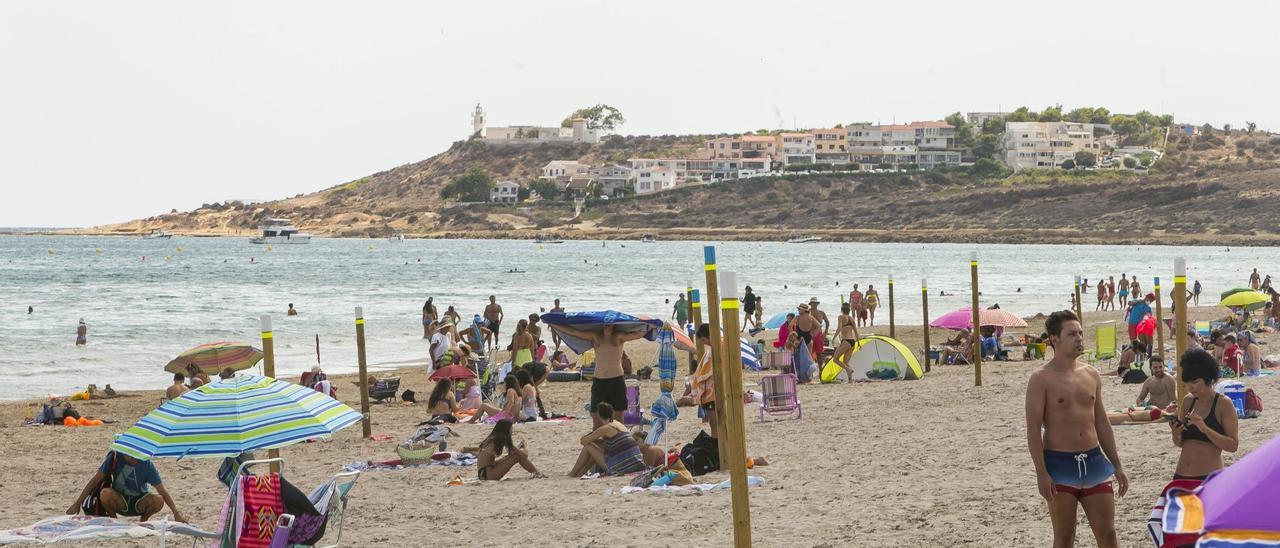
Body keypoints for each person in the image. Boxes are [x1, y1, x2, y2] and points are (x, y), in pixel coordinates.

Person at [1025, 310, 1127, 548]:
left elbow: (1102, 422)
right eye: (1072, 334)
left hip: (1094, 462)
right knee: (1064, 537)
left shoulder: (1090, 374)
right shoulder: (1041, 379)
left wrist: (1117, 464)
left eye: (1080, 332)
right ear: (1054, 339)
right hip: (1059, 465)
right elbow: (1033, 429)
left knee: (1108, 535)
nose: (1079, 338)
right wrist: (1041, 472)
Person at [549, 322, 650, 424]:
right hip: (599, 382)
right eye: (605, 324)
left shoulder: (618, 336)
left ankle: (617, 439)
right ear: (602, 325)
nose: (607, 327)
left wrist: (651, 326)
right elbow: (574, 332)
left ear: (614, 326)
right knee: (596, 418)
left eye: (610, 325)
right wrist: (554, 324)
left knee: (618, 420)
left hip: (617, 381)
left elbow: (636, 335)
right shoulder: (596, 336)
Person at [1170, 348, 1239, 481]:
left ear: (1209, 379)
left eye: (1195, 382)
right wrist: (1175, 434)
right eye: (1187, 383)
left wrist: (1205, 428)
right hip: (1181, 476)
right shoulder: (1188, 401)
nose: (1190, 387)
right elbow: (1181, 443)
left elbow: (1232, 446)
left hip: (1209, 478)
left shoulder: (1223, 404)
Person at [68, 451, 185, 523]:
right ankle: (114, 520)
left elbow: (162, 490)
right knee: (105, 493)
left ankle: (143, 520)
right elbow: (95, 480)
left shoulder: (147, 464)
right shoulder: (115, 457)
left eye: (134, 454)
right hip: (119, 500)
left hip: (139, 501)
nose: (131, 457)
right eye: (128, 454)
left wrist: (176, 512)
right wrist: (77, 503)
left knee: (158, 500)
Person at [568, 402, 647, 477]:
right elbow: (614, 441)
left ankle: (572, 474)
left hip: (621, 467)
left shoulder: (605, 428)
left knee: (588, 447)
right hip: (635, 463)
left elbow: (584, 442)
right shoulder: (618, 424)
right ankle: (580, 474)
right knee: (596, 450)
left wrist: (590, 437)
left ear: (599, 415)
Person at [476, 419, 544, 480]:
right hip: (487, 474)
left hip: (483, 472)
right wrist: (525, 447)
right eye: (511, 429)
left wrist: (518, 449)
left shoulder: (493, 438)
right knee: (517, 456)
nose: (511, 431)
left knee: (513, 455)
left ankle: (537, 472)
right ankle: (537, 473)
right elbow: (524, 455)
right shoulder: (500, 439)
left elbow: (511, 453)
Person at [689, 323, 719, 439]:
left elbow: (705, 371)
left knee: (714, 422)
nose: (703, 343)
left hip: (713, 392)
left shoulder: (716, 348)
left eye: (703, 339)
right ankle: (715, 441)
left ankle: (715, 443)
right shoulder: (712, 348)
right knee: (713, 422)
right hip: (711, 392)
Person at [830, 303, 862, 382]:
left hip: (846, 341)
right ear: (849, 310)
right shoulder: (851, 318)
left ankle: (848, 369)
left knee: (835, 359)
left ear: (842, 310)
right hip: (852, 342)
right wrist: (858, 342)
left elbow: (839, 328)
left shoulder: (840, 317)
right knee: (845, 362)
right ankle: (850, 380)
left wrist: (834, 337)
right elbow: (856, 331)